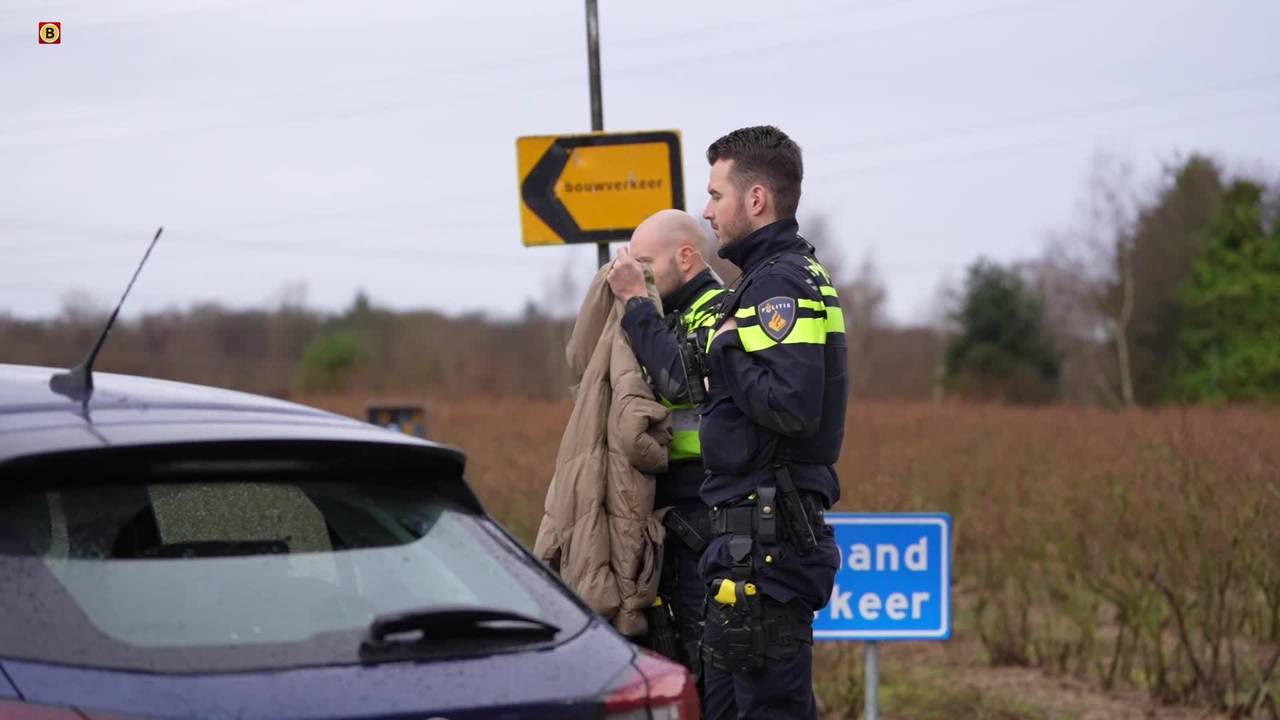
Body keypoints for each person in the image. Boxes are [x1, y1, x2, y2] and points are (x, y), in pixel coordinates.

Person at [696, 125, 848, 719]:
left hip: (768, 548)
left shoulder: (779, 282)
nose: (706, 211)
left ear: (755, 200)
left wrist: (726, 349)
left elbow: (791, 405)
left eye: (715, 195)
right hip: (750, 543)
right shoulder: (771, 277)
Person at [606, 209, 726, 686]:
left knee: (703, 663)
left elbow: (680, 381)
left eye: (646, 263)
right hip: (669, 512)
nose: (636, 275)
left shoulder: (719, 310)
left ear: (686, 257)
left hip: (706, 510)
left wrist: (636, 303)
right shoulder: (667, 314)